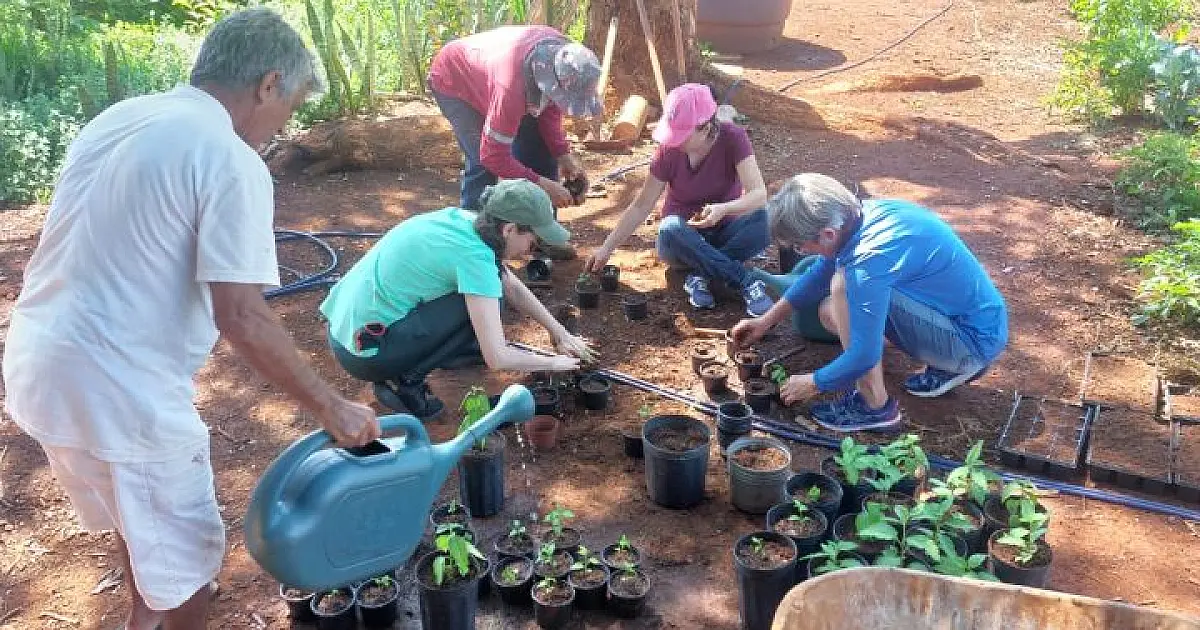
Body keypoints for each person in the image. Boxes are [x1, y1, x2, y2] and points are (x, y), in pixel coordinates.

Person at [1, 9, 380, 630]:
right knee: (187, 566)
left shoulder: (121, 118)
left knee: (138, 522)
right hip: (117, 389)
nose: (284, 126)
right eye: (290, 105)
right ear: (268, 84)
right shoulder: (228, 159)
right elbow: (243, 317)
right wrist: (333, 408)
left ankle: (139, 621)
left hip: (38, 364)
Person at [731, 173, 1009, 432]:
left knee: (842, 288)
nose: (800, 252)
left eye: (800, 246)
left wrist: (814, 382)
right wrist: (765, 321)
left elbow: (864, 354)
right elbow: (819, 273)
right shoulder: (860, 216)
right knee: (831, 312)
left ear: (828, 234)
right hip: (973, 326)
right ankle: (950, 364)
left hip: (970, 341)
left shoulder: (868, 260)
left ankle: (875, 406)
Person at [320, 179, 596, 419]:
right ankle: (404, 382)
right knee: (487, 302)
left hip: (341, 330)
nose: (530, 250)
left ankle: (445, 352)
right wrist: (553, 363)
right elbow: (498, 358)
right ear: (509, 229)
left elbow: (510, 283)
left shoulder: (464, 221)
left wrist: (558, 332)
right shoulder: (474, 258)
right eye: (532, 241)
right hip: (367, 354)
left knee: (489, 293)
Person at [584, 83, 775, 317]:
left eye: (682, 133)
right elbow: (642, 205)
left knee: (767, 218)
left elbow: (758, 195)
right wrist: (606, 249)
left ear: (705, 128)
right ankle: (744, 281)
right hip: (682, 241)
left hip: (724, 230)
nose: (675, 140)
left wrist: (724, 209)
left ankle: (702, 275)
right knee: (670, 226)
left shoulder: (733, 138)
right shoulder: (668, 150)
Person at [428, 25, 603, 260]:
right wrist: (544, 184)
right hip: (456, 82)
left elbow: (550, 109)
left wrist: (563, 155)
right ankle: (474, 247)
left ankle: (540, 236)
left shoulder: (563, 56)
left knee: (540, 149)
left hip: (492, 79)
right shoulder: (511, 87)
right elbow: (493, 155)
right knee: (482, 166)